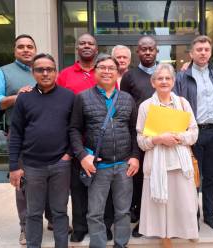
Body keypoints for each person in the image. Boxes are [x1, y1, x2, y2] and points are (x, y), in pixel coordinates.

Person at [0, 34, 54, 245]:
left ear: (35, 49)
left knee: (52, 180)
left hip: (50, 135)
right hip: (21, 136)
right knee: (24, 183)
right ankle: (26, 227)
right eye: (21, 47)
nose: (26, 50)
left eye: (30, 46)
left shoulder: (44, 69)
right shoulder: (3, 72)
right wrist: (16, 98)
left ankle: (53, 218)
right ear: (15, 50)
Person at [70, 55, 139, 248]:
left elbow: (134, 130)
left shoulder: (127, 99)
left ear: (117, 73)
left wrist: (135, 157)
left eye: (111, 68)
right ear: (95, 71)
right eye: (102, 67)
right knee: (95, 213)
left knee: (123, 211)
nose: (107, 71)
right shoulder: (82, 98)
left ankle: (121, 244)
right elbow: (74, 129)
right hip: (98, 166)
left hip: (124, 166)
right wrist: (82, 156)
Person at [9, 53, 75, 248]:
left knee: (60, 212)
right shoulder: (24, 99)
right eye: (40, 69)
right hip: (32, 165)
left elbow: (75, 129)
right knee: (33, 212)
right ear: (33, 72)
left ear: (56, 72)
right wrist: (14, 166)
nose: (45, 73)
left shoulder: (68, 96)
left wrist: (68, 154)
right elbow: (16, 134)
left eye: (50, 69)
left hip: (60, 164)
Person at [57, 33, 115, 242]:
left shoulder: (105, 73)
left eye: (91, 43)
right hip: (76, 142)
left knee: (104, 187)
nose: (86, 46)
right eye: (82, 43)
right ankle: (80, 226)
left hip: (103, 142)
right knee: (79, 186)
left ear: (96, 48)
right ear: (76, 48)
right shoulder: (65, 75)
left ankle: (105, 225)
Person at [137, 63, 199, 248]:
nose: (164, 81)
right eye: (160, 78)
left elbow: (194, 133)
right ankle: (165, 237)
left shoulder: (182, 103)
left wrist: (177, 137)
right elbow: (141, 140)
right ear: (153, 82)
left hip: (180, 163)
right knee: (161, 204)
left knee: (185, 203)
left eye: (168, 78)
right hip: (157, 163)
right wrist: (158, 139)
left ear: (173, 81)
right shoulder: (146, 107)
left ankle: (188, 231)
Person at [174, 35, 213, 232]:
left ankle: (210, 215)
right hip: (192, 134)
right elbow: (177, 105)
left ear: (210, 52)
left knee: (212, 176)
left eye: (206, 49)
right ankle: (192, 215)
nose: (203, 52)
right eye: (199, 49)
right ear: (191, 53)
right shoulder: (182, 76)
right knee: (191, 177)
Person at [120, 35, 158, 237]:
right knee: (139, 179)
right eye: (143, 49)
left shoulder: (164, 73)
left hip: (161, 136)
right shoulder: (129, 76)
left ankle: (151, 217)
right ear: (138, 52)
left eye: (151, 49)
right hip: (137, 134)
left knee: (155, 177)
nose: (147, 52)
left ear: (157, 51)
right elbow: (125, 103)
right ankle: (139, 213)